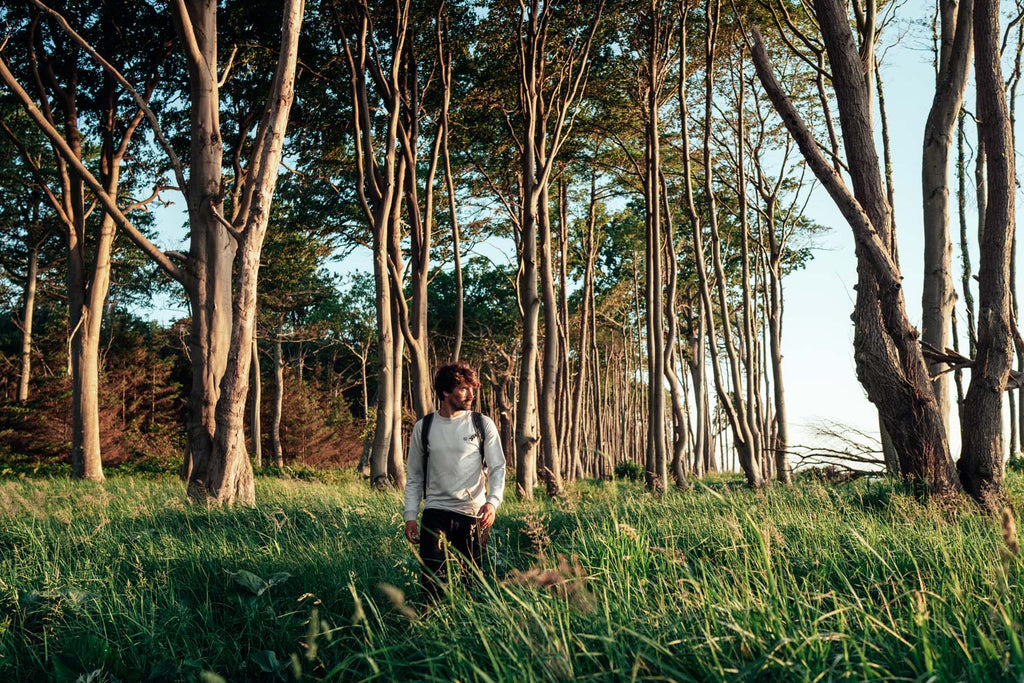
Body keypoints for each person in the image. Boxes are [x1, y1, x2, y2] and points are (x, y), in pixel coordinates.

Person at [403, 362, 506, 600]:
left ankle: (472, 621)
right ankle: (432, 620)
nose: (471, 394)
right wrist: (410, 516)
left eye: (472, 388)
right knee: (432, 585)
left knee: (475, 584)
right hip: (435, 513)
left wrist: (492, 502)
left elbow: (498, 467)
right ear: (446, 392)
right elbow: (415, 476)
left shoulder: (482, 424)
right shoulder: (424, 427)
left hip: (473, 515)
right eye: (463, 388)